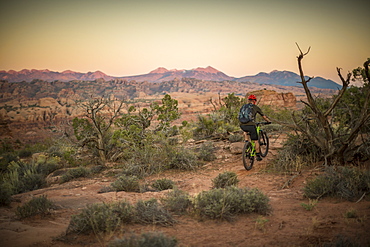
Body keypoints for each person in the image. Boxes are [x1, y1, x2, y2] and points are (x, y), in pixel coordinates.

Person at [239, 94, 271, 161]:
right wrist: (268, 121)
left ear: (248, 100)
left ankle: (247, 142)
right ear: (254, 101)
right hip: (251, 125)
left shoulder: (243, 106)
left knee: (246, 131)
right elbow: (263, 116)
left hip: (242, 125)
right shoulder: (255, 107)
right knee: (256, 141)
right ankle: (258, 155)